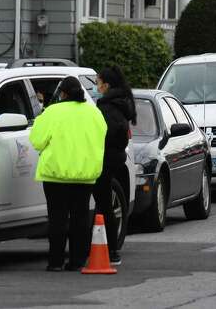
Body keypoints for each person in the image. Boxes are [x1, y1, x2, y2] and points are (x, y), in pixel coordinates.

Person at [29, 76, 107, 272]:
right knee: (81, 218)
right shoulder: (94, 113)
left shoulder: (53, 112)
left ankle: (55, 262)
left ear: (62, 93)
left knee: (57, 218)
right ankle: (77, 261)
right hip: (85, 174)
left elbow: (37, 140)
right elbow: (102, 136)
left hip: (56, 174)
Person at [92, 66, 137, 266]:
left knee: (103, 205)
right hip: (116, 157)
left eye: (97, 83)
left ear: (106, 85)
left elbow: (105, 134)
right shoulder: (121, 103)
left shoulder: (107, 107)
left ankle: (110, 250)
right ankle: (110, 247)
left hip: (105, 158)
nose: (96, 87)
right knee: (106, 203)